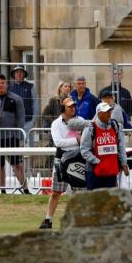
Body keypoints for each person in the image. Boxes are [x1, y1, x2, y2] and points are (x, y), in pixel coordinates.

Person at [38, 97, 82, 229]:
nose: (73, 108)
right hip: (61, 160)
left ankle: (77, 220)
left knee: (78, 193)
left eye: (73, 106)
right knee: (56, 192)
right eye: (70, 107)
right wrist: (77, 140)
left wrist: (78, 140)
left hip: (78, 159)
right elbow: (58, 143)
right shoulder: (56, 124)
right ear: (63, 108)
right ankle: (48, 219)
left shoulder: (80, 121)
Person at [0, 73, 29, 193]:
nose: (0, 85)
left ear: (7, 84)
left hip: (11, 137)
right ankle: (2, 190)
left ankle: (26, 189)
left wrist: (19, 136)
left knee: (17, 165)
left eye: (2, 82)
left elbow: (21, 119)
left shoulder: (16, 99)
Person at [80, 102, 128, 190]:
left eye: (110, 111)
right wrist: (98, 162)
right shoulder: (90, 128)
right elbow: (84, 150)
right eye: (106, 111)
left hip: (111, 172)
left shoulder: (115, 126)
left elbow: (121, 147)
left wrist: (124, 163)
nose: (109, 113)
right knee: (94, 201)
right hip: (93, 172)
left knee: (111, 201)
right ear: (99, 113)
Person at [9, 65, 37, 137]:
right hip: (13, 123)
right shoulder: (9, 88)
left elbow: (36, 104)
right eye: (17, 72)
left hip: (28, 121)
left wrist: (33, 121)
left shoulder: (31, 86)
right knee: (14, 145)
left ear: (24, 74)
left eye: (21, 72)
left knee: (28, 145)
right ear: (14, 74)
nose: (19, 74)